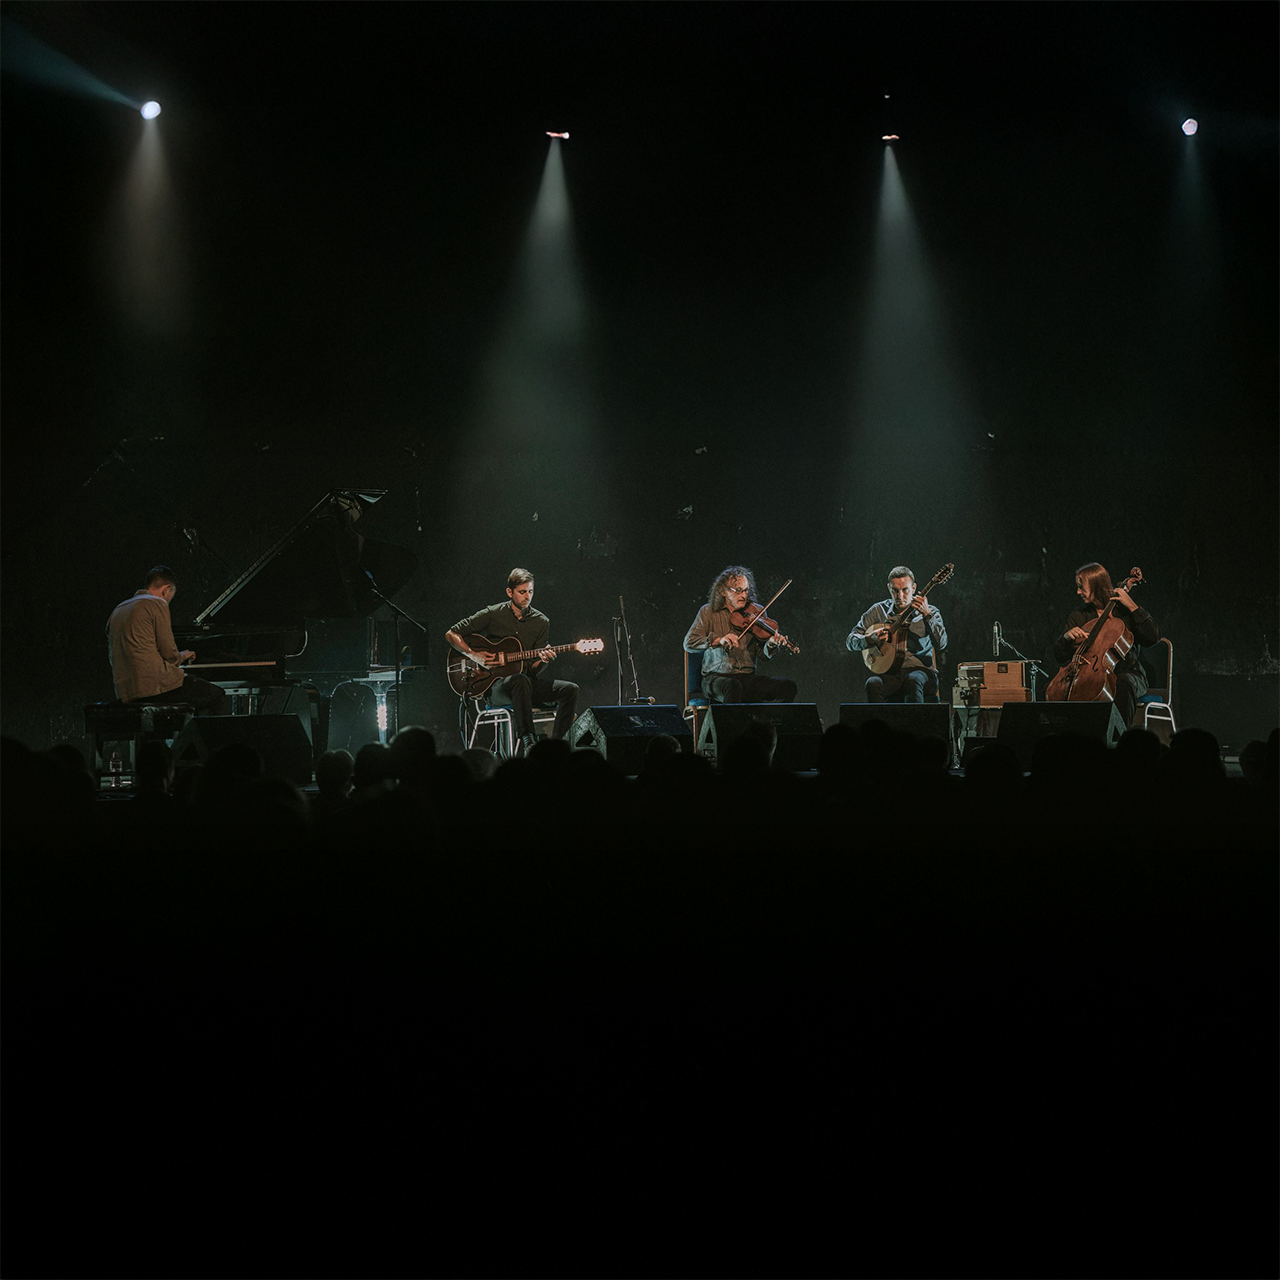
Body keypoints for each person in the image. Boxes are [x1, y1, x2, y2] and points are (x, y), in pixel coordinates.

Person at [445, 568, 579, 755]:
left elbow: (533, 669)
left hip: (525, 685)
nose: (527, 596)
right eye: (522, 592)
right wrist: (474, 655)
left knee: (570, 689)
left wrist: (544, 660)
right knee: (519, 680)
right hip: (496, 687)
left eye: (530, 591)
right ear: (510, 592)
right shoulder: (493, 613)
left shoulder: (541, 622)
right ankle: (528, 740)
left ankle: (556, 747)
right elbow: (451, 633)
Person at [106, 566, 228, 713]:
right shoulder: (157, 603)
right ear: (166, 589)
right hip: (154, 687)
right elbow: (169, 654)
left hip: (125, 692)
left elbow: (113, 657)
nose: (168, 602)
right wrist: (182, 656)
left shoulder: (118, 610)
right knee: (216, 695)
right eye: (170, 597)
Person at [1051, 561, 1159, 728]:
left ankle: (1119, 736)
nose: (1078, 592)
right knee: (1055, 689)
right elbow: (1060, 656)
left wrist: (1132, 605)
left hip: (1128, 673)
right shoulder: (1079, 615)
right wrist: (1066, 638)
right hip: (1088, 675)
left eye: (1081, 587)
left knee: (1123, 683)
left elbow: (1153, 638)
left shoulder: (1124, 612)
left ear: (1096, 585)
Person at [683, 566, 796, 704]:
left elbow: (762, 655)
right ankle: (731, 719)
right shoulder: (708, 612)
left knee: (787, 687)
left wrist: (771, 644)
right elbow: (689, 643)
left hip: (747, 678)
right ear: (723, 591)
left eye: (746, 590)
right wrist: (719, 640)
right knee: (732, 686)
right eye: (738, 590)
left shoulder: (757, 612)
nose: (743, 595)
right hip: (715, 679)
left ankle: (767, 718)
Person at [846, 565, 947, 703]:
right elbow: (850, 641)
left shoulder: (931, 611)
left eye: (905, 590)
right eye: (895, 591)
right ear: (889, 588)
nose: (900, 596)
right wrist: (869, 638)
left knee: (913, 680)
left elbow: (941, 643)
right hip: (892, 673)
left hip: (922, 673)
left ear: (914, 588)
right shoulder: (878, 611)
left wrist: (927, 615)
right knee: (872, 683)